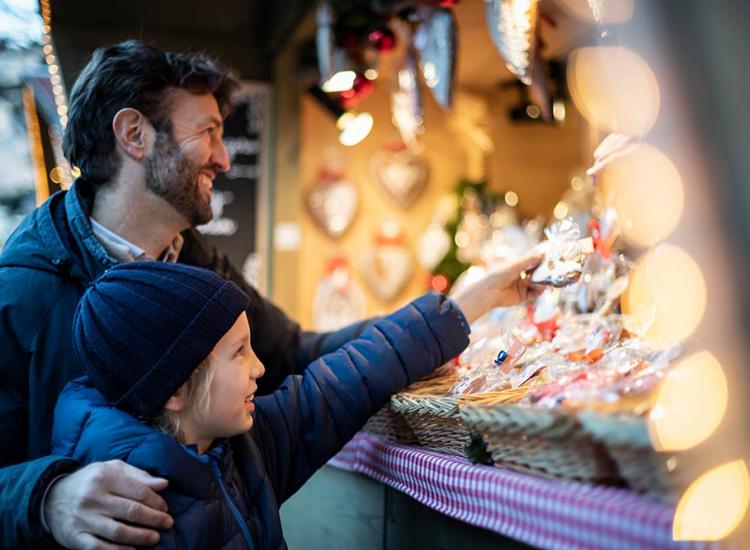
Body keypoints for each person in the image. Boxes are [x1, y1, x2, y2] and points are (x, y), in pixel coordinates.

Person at [0, 39, 543, 548]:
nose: (224, 157)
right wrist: (45, 497)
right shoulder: (21, 292)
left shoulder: (199, 264)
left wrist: (460, 308)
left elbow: (301, 359)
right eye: (208, 131)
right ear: (134, 135)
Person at [50, 259, 539, 549]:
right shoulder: (123, 520)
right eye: (239, 352)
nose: (260, 367)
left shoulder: (239, 446)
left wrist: (471, 301)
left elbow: (347, 377)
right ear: (174, 390)